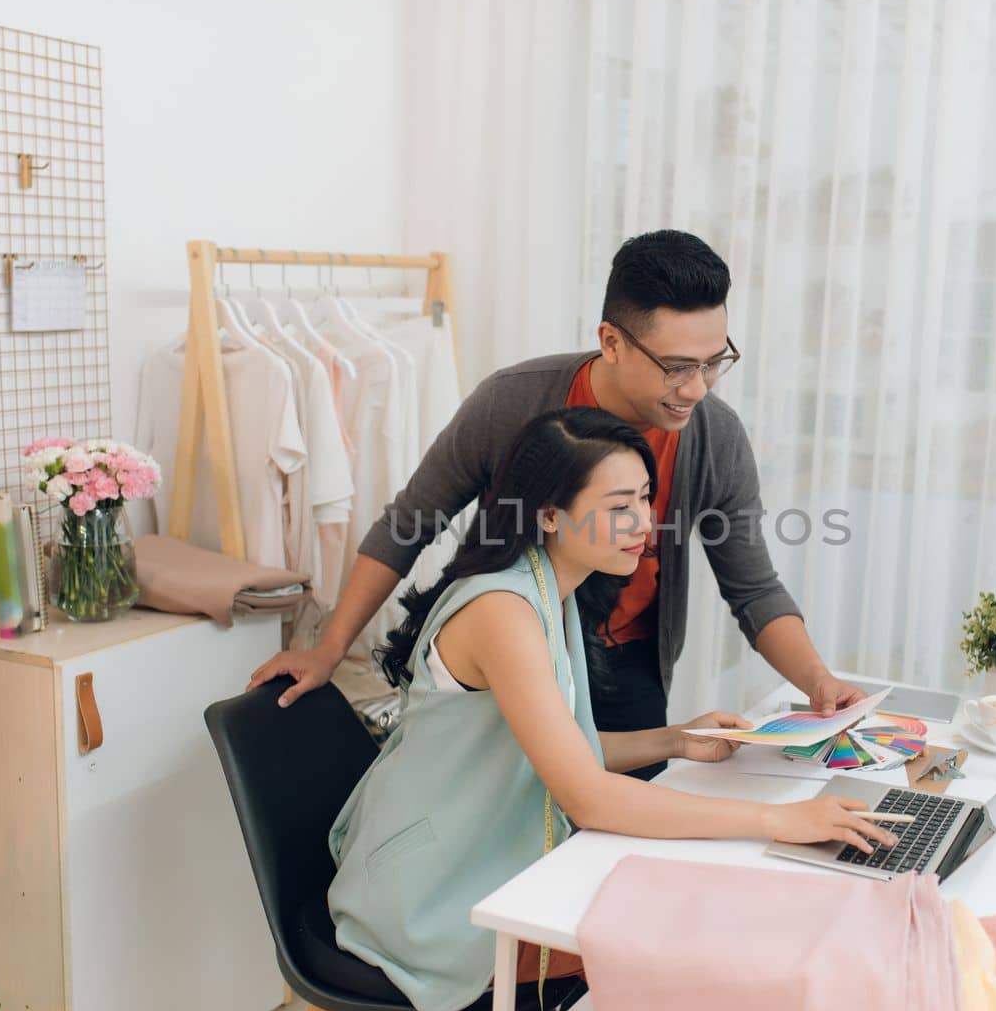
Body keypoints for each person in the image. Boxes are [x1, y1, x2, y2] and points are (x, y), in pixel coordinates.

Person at [325, 407, 895, 1011]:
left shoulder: (548, 588)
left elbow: (561, 749)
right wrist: (777, 820)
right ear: (548, 514)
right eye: (620, 505)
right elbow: (590, 797)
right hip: (431, 892)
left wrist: (677, 740)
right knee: (690, 941)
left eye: (646, 499)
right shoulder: (503, 612)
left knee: (699, 910)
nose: (644, 523)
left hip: (471, 856)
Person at [251, 228, 867, 778]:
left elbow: (754, 589)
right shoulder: (511, 403)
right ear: (612, 341)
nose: (696, 389)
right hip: (502, 662)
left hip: (624, 665)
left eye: (713, 364)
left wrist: (818, 684)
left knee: (612, 854)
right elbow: (408, 525)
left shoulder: (714, 436)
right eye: (677, 367)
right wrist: (329, 649)